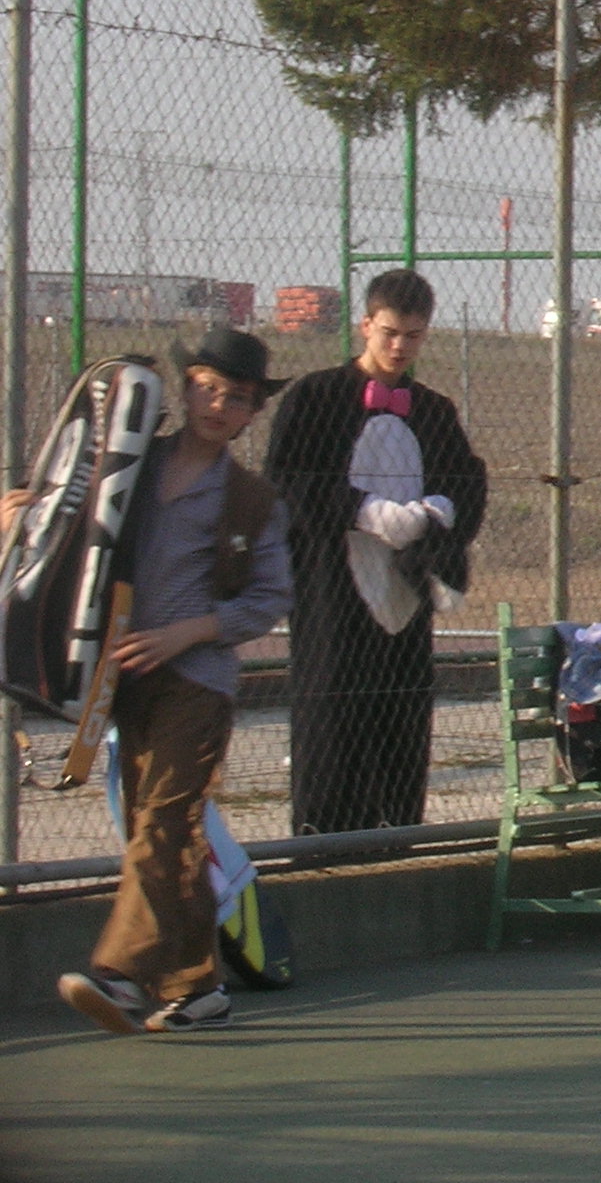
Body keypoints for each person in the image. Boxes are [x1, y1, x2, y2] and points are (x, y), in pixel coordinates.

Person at [43, 326, 292, 1034]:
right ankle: (199, 988)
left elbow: (270, 598)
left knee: (162, 820)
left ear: (253, 412)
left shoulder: (251, 499)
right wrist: (23, 509)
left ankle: (119, 975)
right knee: (165, 832)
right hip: (124, 678)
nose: (218, 405)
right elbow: (71, 517)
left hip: (198, 682)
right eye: (207, 388)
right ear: (184, 389)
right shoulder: (132, 463)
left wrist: (191, 631)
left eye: (236, 398)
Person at [269, 268, 487, 833]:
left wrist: (437, 512)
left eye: (413, 336)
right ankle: (322, 841)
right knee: (332, 710)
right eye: (389, 332)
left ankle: (398, 833)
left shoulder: (434, 410)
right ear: (365, 325)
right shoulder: (315, 398)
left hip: (405, 595)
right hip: (331, 592)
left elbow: (467, 481)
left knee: (401, 712)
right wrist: (364, 512)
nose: (399, 347)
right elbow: (287, 480)